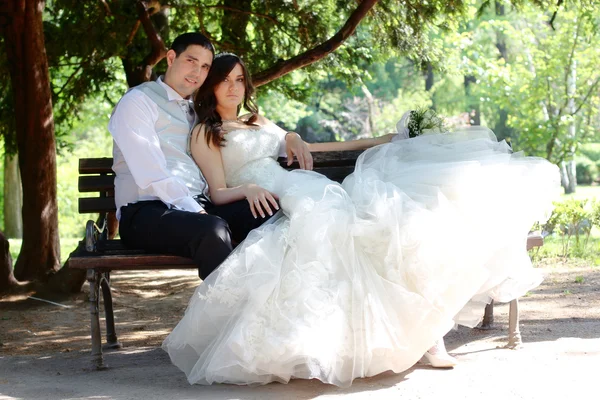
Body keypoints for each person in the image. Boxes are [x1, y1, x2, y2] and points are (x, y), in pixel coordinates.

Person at [162, 53, 560, 387]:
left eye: (240, 80)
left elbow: (315, 146)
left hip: (302, 187)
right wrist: (247, 189)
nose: (234, 88)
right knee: (336, 232)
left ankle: (426, 331)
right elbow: (216, 191)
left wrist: (378, 141)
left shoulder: (258, 122)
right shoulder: (205, 132)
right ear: (210, 85)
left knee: (387, 224)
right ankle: (404, 337)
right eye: (225, 80)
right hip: (274, 200)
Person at [108, 34, 312, 280]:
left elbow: (251, 133)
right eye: (191, 61)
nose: (197, 72)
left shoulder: (198, 109)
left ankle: (272, 301)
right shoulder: (138, 102)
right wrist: (197, 211)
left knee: (269, 214)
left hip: (198, 207)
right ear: (171, 58)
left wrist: (289, 136)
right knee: (213, 230)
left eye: (205, 66)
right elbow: (150, 173)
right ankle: (223, 313)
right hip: (146, 212)